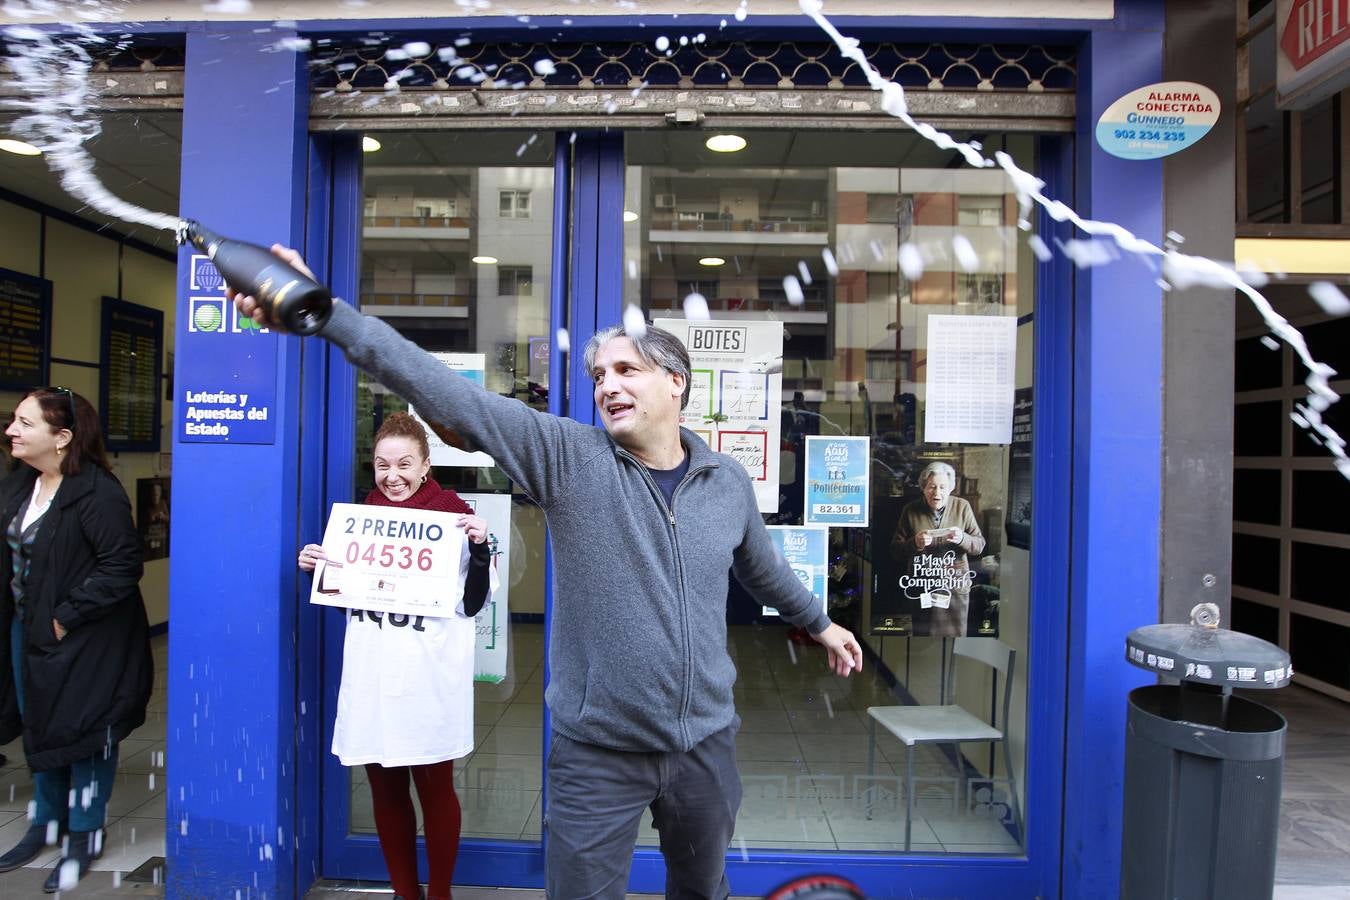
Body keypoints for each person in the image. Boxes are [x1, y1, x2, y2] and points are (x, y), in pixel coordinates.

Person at [232, 246, 863, 900]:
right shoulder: (568, 458)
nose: (607, 385)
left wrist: (819, 623)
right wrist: (329, 316)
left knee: (703, 892)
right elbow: (445, 391)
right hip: (596, 755)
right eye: (599, 375)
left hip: (705, 745)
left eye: (627, 369)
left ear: (677, 382)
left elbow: (761, 568)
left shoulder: (725, 481)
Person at [298, 412, 492, 900]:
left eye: (405, 464)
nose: (393, 476)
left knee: (435, 788)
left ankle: (440, 892)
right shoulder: (363, 521)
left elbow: (471, 603)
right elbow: (346, 597)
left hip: (428, 676)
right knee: (384, 791)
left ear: (426, 464)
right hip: (373, 672)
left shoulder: (453, 516)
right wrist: (316, 570)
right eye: (383, 465)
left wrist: (481, 551)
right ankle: (406, 893)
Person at [0, 387, 153, 892]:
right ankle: (46, 822)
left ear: (62, 437)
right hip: (30, 627)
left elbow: (121, 566)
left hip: (87, 634)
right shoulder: (20, 485)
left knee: (87, 731)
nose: (12, 431)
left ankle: (84, 833)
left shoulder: (97, 492)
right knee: (40, 723)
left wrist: (64, 617)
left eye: (25, 423)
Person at [890, 461, 986, 637]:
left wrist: (962, 538)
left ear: (950, 488)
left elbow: (979, 545)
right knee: (924, 636)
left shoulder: (962, 506)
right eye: (932, 487)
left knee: (954, 640)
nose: (937, 493)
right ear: (923, 488)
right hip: (923, 587)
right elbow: (895, 550)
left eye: (943, 487)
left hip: (954, 589)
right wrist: (915, 543)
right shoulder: (910, 510)